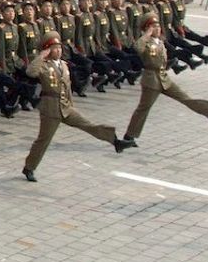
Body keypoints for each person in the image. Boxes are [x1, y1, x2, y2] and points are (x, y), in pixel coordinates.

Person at [22, 32, 134, 182]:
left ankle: (115, 141)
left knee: (88, 125)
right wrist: (41, 56)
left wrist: (70, 104)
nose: (58, 51)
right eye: (54, 48)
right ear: (48, 50)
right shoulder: (43, 65)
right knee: (44, 140)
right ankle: (29, 167)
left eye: (59, 48)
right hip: (50, 109)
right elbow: (30, 72)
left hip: (66, 106)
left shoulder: (63, 65)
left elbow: (67, 87)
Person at [123, 14, 208, 143]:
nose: (158, 29)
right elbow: (137, 47)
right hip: (151, 81)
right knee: (143, 109)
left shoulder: (160, 42)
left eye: (158, 26)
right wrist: (147, 34)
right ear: (147, 29)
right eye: (154, 27)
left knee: (185, 98)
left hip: (163, 78)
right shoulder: (146, 42)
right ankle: (129, 136)